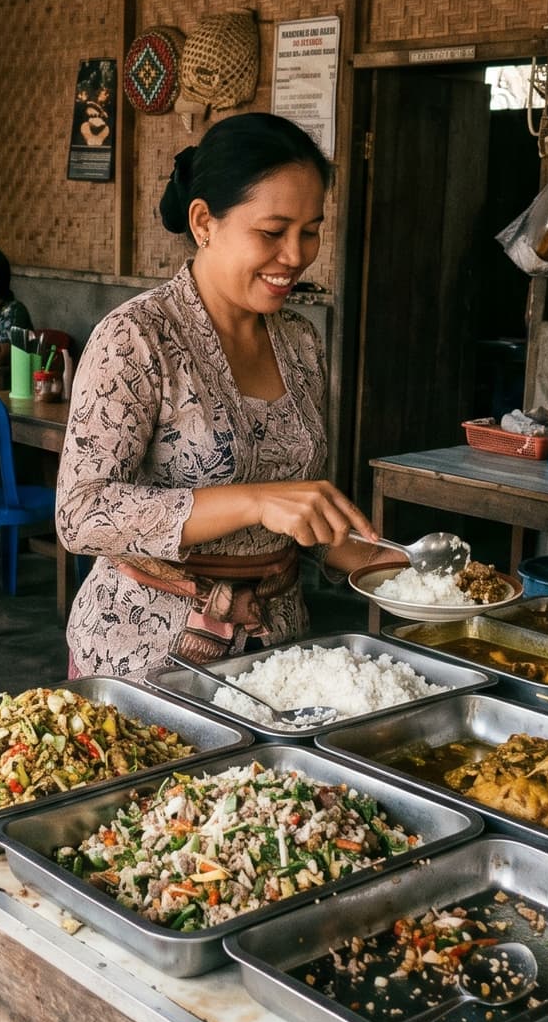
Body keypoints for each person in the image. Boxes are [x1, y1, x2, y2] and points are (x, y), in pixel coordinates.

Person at [56, 112, 379, 681]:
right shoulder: (137, 338)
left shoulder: (299, 342)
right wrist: (256, 499)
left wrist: (393, 562)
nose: (297, 255)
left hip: (275, 659)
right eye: (273, 231)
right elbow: (81, 514)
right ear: (204, 221)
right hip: (144, 657)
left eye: (310, 230)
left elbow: (294, 514)